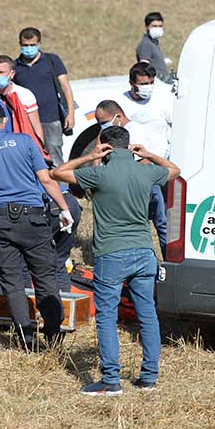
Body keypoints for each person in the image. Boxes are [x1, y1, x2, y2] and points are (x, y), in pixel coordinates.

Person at [51, 126, 180, 396]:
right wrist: (149, 154)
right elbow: (174, 170)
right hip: (145, 253)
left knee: (107, 316)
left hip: (112, 253)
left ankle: (111, 380)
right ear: (128, 145)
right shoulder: (146, 171)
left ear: (106, 146)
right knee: (147, 314)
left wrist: (89, 156)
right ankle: (149, 377)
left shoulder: (99, 173)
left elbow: (57, 173)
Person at [0, 101, 74, 350]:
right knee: (45, 277)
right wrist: (63, 209)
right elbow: (45, 179)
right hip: (33, 220)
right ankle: (54, 334)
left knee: (12, 282)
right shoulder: (25, 141)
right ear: (5, 121)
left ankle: (26, 338)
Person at [94, 99, 165, 255]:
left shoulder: (134, 132)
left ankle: (165, 262)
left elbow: (144, 161)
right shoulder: (115, 134)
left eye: (104, 122)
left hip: (145, 186)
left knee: (160, 224)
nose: (102, 127)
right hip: (134, 185)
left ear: (118, 116)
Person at [12, 27, 75, 166]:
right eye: (25, 45)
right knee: (31, 158)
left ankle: (62, 187)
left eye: (32, 45)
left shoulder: (52, 60)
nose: (29, 48)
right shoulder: (15, 66)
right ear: (20, 44)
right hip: (27, 121)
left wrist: (70, 114)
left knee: (55, 156)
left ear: (39, 44)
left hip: (51, 119)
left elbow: (65, 87)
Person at [0, 55, 45, 155]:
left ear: (12, 74)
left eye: (1, 72)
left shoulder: (24, 95)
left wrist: (40, 151)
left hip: (20, 149)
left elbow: (36, 127)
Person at [136, 12, 173, 85]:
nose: (158, 28)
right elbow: (144, 67)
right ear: (147, 27)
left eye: (160, 26)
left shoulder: (153, 43)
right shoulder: (146, 44)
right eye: (154, 26)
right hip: (158, 84)